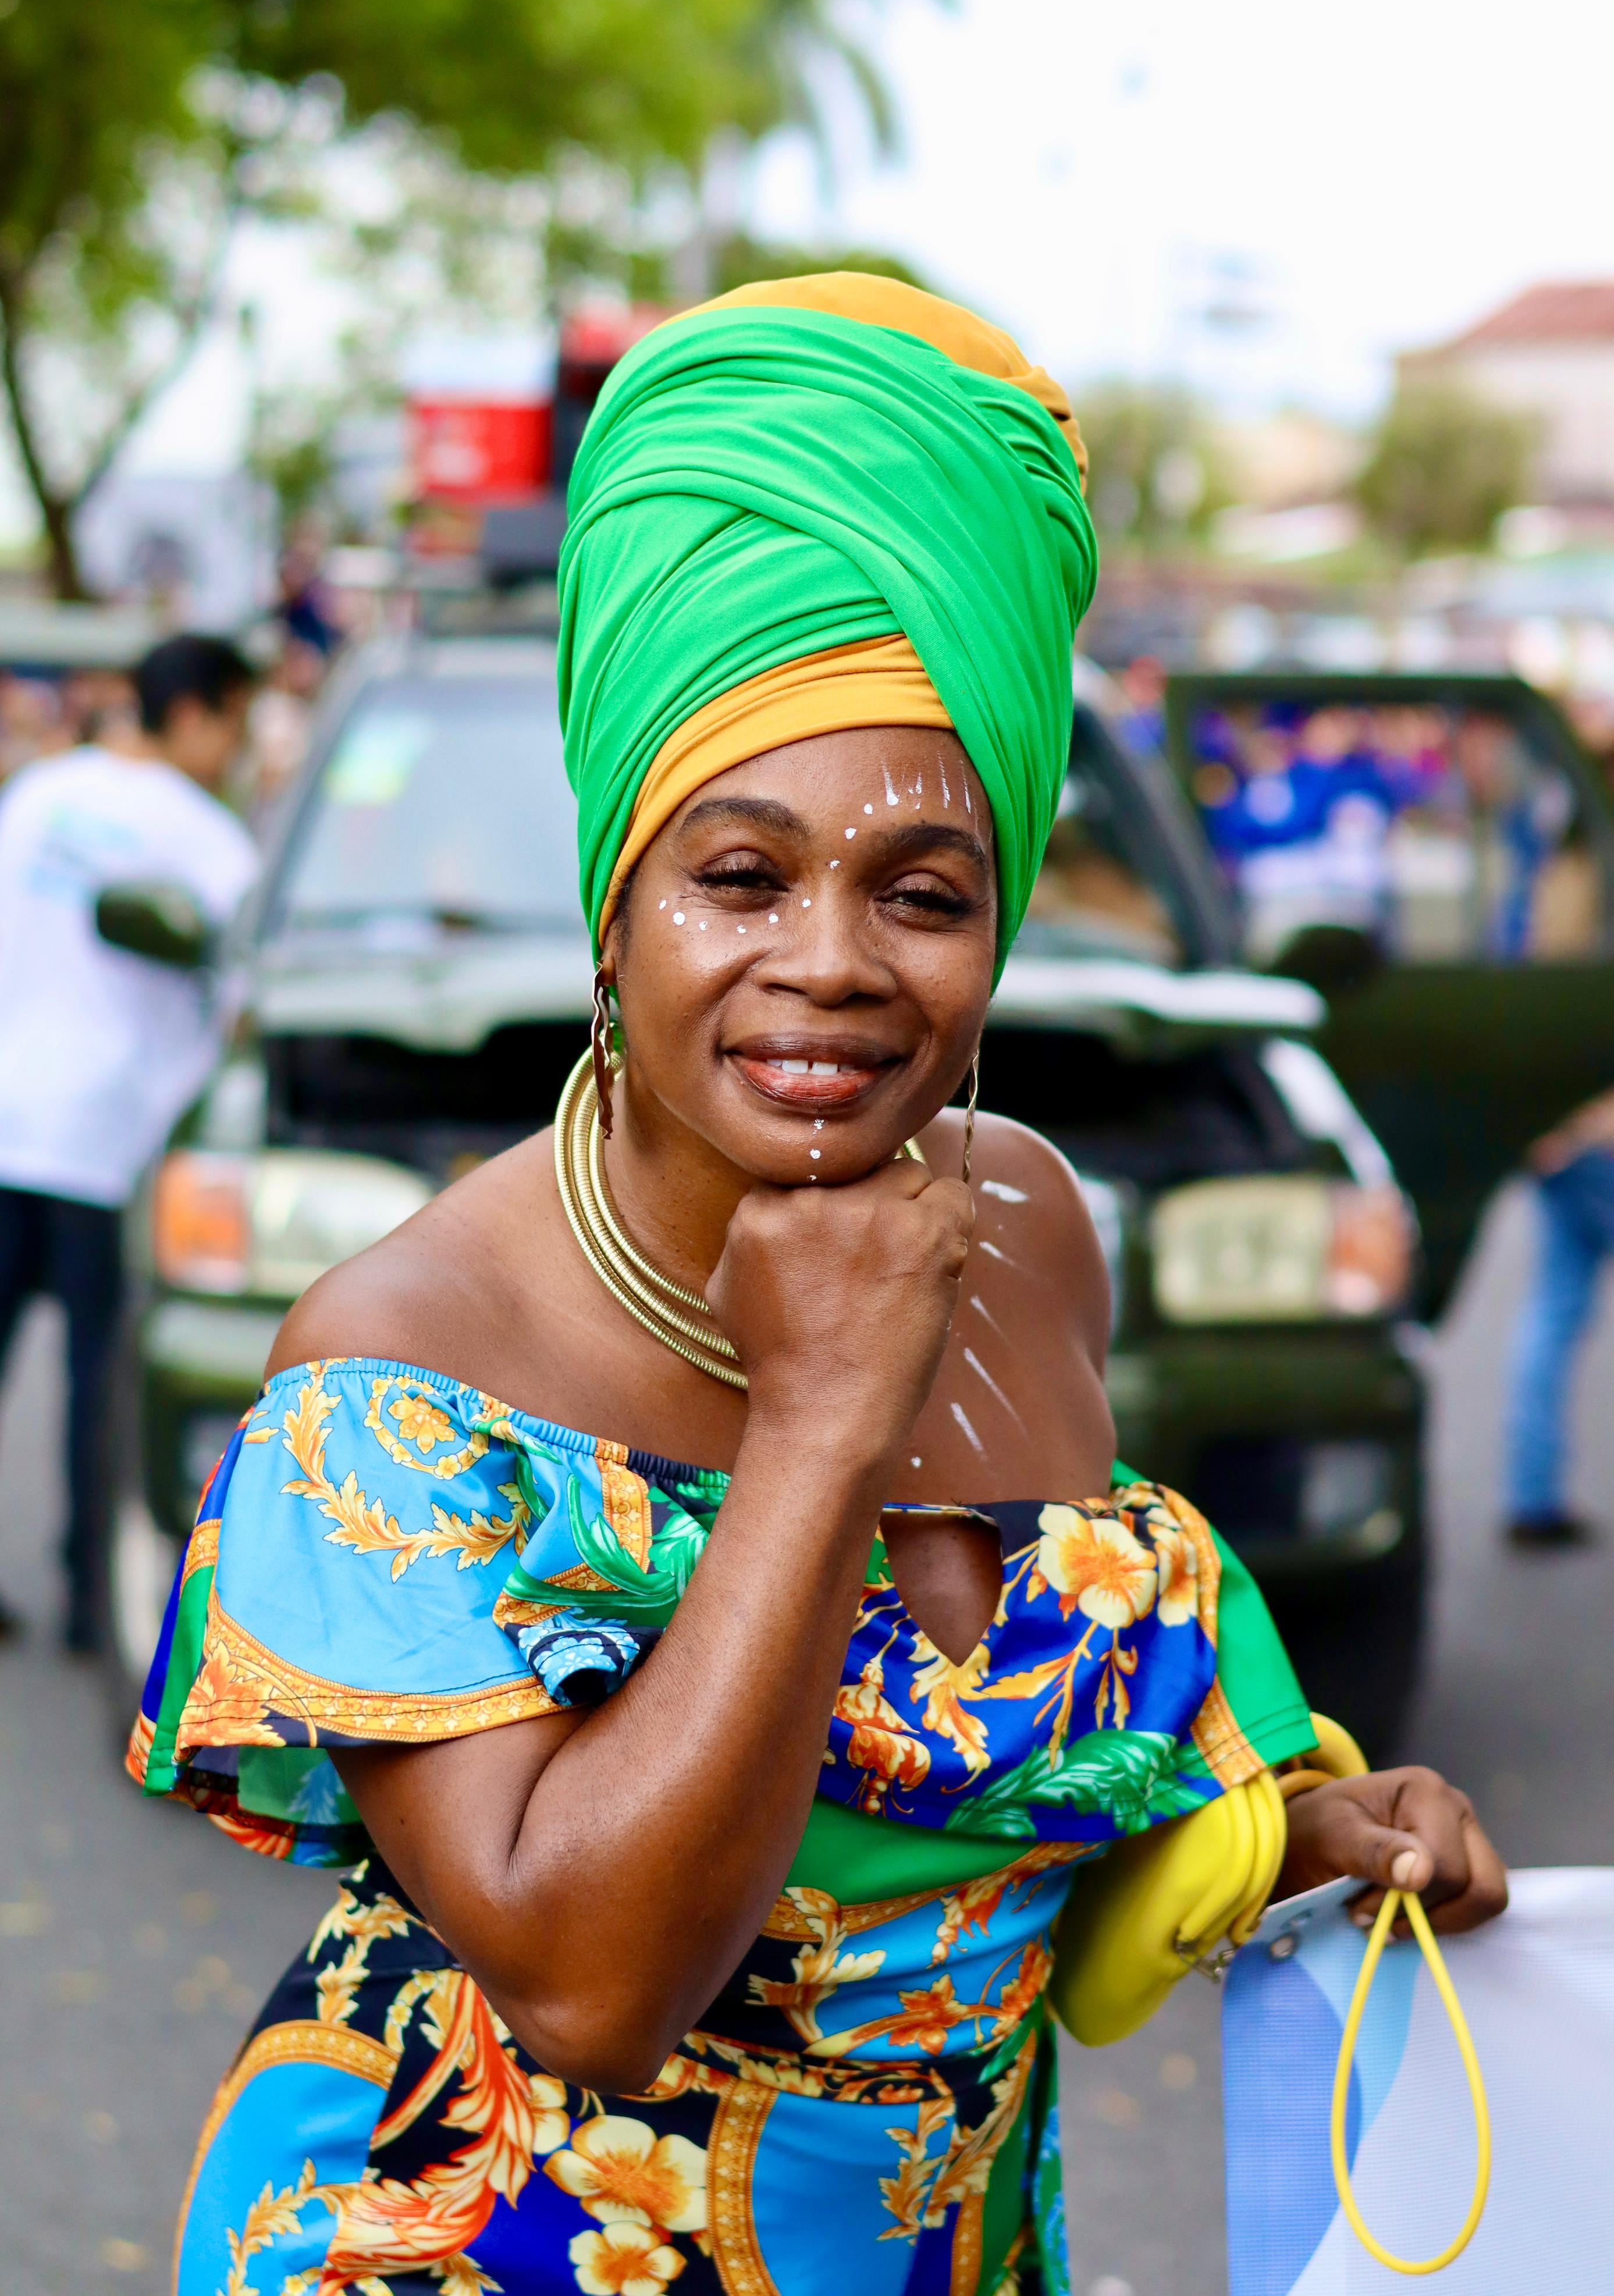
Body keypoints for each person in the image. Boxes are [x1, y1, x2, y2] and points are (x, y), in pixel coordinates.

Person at [131, 280, 1503, 2294]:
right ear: (615, 902)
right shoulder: (403, 1365)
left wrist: (1300, 1837)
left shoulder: (1023, 1225)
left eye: (923, 892)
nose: (836, 962)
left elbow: (970, 1810)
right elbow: (592, 1984)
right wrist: (820, 1420)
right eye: (742, 876)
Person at [0, 633, 258, 1648]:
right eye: (234, 725)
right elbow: (241, 1001)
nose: (237, 752)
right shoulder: (209, 841)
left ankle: (80, 1591)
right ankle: (88, 1604)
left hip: (13, 1121)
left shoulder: (38, 795)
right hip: (112, 1147)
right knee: (96, 1384)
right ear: (193, 713)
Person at [1501, 1093, 1614, 1547]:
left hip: (1560, 1145)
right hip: (1599, 1141)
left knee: (1553, 1314)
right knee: (1554, 1315)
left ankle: (1533, 1499)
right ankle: (1534, 1499)